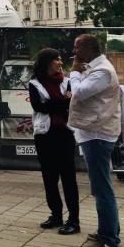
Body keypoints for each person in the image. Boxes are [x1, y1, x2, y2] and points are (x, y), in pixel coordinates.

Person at [68, 34, 122, 247]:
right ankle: (106, 230)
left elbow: (79, 93)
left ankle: (110, 238)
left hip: (98, 134)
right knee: (100, 187)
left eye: (77, 47)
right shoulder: (96, 67)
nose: (74, 52)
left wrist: (73, 72)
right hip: (95, 132)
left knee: (102, 188)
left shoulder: (102, 71)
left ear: (89, 49)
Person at [29, 48, 79, 235]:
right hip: (44, 135)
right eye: (56, 60)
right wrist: (63, 102)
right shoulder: (34, 83)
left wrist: (58, 104)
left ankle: (74, 219)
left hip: (65, 134)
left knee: (68, 178)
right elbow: (38, 107)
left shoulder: (68, 82)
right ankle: (56, 215)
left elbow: (72, 106)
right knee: (49, 178)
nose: (60, 62)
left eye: (60, 59)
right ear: (46, 63)